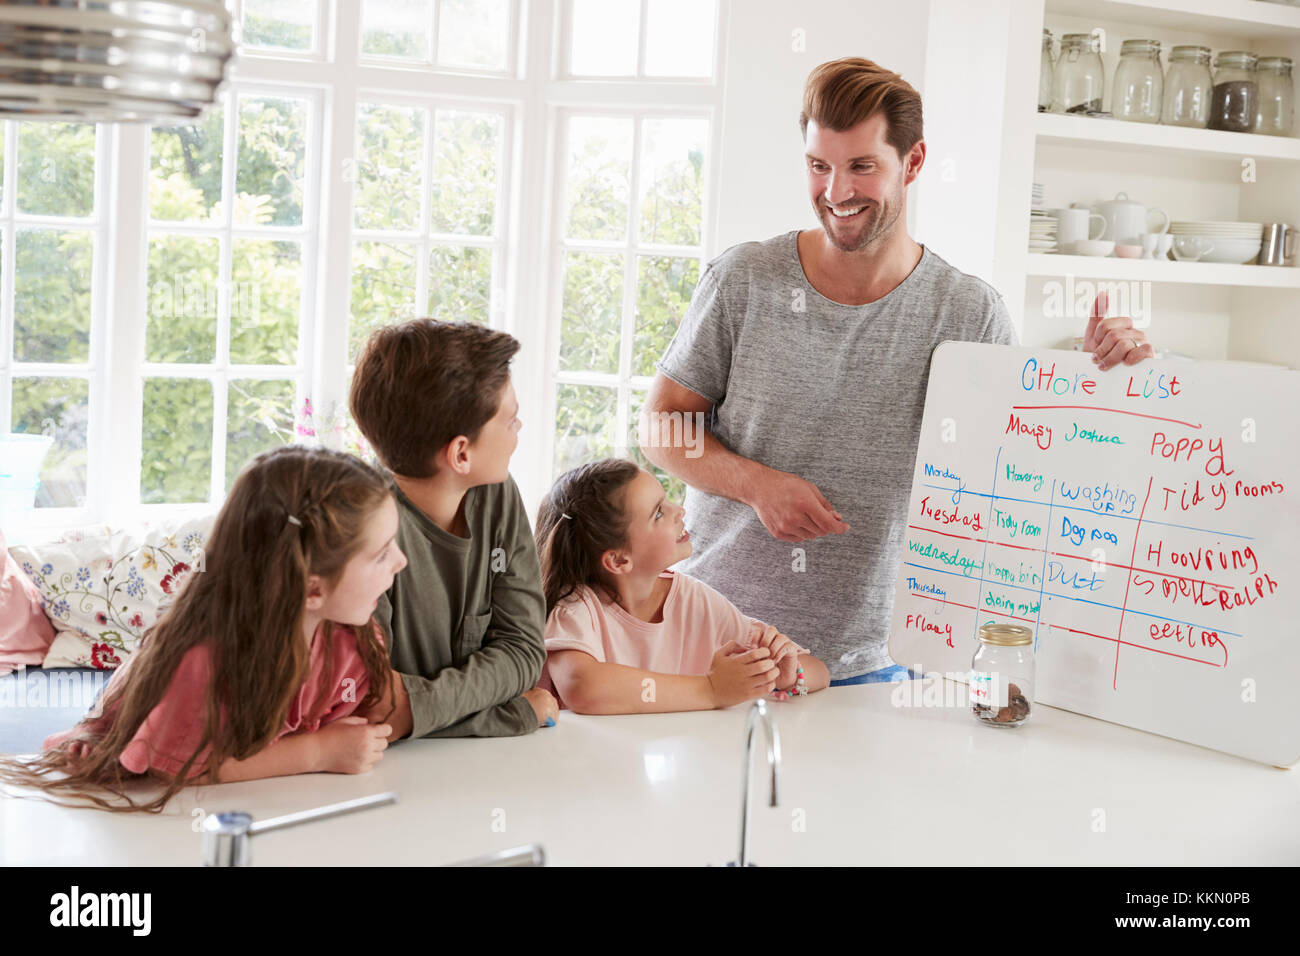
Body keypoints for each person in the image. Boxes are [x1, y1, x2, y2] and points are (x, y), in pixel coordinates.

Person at [640, 57, 1156, 685]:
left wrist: (1099, 377)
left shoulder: (967, 311)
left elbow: (1019, 473)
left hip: (870, 662)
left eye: (862, 166)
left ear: (911, 164)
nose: (835, 193)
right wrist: (756, 485)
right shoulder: (744, 279)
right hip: (712, 642)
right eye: (818, 165)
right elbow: (662, 429)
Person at [0, 446, 407, 811]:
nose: (401, 562)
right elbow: (187, 764)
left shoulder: (352, 639)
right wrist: (317, 753)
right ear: (313, 588)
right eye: (382, 553)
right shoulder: (205, 658)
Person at [349, 319, 556, 739]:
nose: (519, 432)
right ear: (461, 453)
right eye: (511, 420)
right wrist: (509, 715)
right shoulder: (358, 529)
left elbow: (522, 650)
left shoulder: (496, 494)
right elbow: (372, 709)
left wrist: (417, 709)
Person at [534, 458, 829, 713]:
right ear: (619, 561)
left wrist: (787, 675)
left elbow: (820, 672)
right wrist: (711, 690)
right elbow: (584, 688)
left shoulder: (694, 600)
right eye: (659, 513)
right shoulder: (576, 607)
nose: (680, 511)